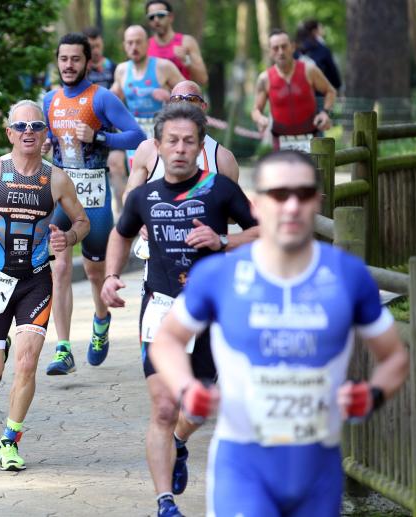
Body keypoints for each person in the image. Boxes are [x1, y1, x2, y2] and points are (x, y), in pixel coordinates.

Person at [149, 150, 409, 516]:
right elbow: (166, 341)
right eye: (278, 194)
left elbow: (395, 356)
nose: (290, 206)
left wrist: (374, 394)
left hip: (317, 471)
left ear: (317, 202)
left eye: (302, 194)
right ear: (257, 204)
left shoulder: (348, 276)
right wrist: (187, 388)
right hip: (243, 469)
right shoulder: (219, 275)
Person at [100, 102, 258, 517]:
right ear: (157, 146)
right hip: (160, 308)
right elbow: (120, 235)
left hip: (209, 311)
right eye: (173, 141)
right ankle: (164, 503)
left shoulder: (219, 189)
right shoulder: (143, 196)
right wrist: (111, 277)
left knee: (198, 404)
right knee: (164, 408)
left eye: (190, 141)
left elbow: (263, 229)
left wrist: (223, 242)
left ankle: (179, 443)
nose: (181, 149)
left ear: (200, 144)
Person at [0, 100, 90, 471]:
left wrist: (68, 238)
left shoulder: (56, 179)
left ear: (44, 135)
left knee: (27, 363)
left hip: (36, 280)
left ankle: (10, 439)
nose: (28, 132)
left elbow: (83, 221)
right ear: (9, 132)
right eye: (20, 127)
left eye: (36, 126)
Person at [41, 32, 146, 374]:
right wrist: (44, 146)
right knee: (58, 268)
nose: (68, 65)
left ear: (88, 62)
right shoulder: (48, 100)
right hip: (61, 192)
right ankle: (63, 347)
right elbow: (46, 140)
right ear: (57, 62)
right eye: (63, 59)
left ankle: (101, 323)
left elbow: (137, 136)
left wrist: (100, 136)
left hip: (94, 195)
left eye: (75, 59)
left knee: (93, 270)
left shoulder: (100, 98)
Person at [109, 25, 184, 177]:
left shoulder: (164, 67)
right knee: (137, 174)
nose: (134, 47)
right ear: (124, 45)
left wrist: (170, 96)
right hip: (135, 131)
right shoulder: (122, 70)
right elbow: (112, 100)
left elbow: (190, 95)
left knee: (159, 176)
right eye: (130, 43)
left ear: (147, 43)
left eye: (138, 42)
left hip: (161, 129)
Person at [251, 29, 336, 152]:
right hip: (281, 142)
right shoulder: (265, 78)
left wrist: (325, 113)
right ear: (270, 52)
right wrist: (260, 119)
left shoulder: (309, 70)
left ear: (292, 47)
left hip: (312, 138)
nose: (280, 52)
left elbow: (330, 91)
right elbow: (256, 110)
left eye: (284, 46)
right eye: (275, 48)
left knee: (316, 171)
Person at [145, 0, 208, 85]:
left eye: (160, 15)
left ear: (171, 17)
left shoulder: (186, 42)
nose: (156, 20)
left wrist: (187, 61)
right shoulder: (145, 46)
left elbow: (203, 80)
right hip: (157, 98)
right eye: (151, 17)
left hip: (183, 96)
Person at [295, 19, 342, 113]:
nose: (323, 30)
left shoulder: (294, 50)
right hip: (318, 97)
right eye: (321, 28)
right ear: (314, 31)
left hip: (296, 97)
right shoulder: (322, 50)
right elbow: (333, 72)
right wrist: (336, 86)